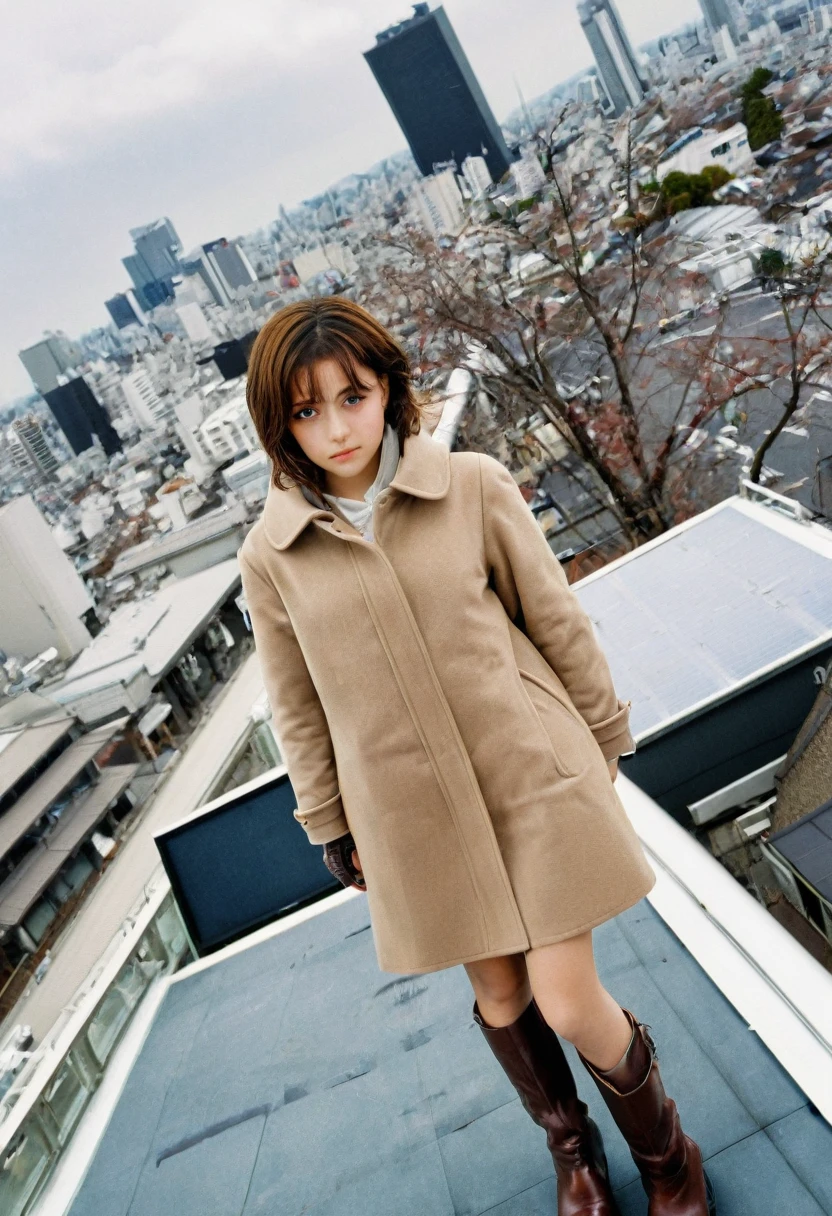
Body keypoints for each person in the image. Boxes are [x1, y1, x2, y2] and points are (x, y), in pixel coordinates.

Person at [239, 298, 716, 1216]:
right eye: (306, 410)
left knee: (569, 998)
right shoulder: (272, 555)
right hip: (410, 812)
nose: (337, 427)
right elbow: (297, 707)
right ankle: (573, 1154)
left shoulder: (471, 485)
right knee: (500, 993)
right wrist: (329, 825)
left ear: (389, 389)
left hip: (531, 772)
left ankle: (668, 1158)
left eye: (353, 395)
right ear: (278, 424)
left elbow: (555, 619)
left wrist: (606, 738)